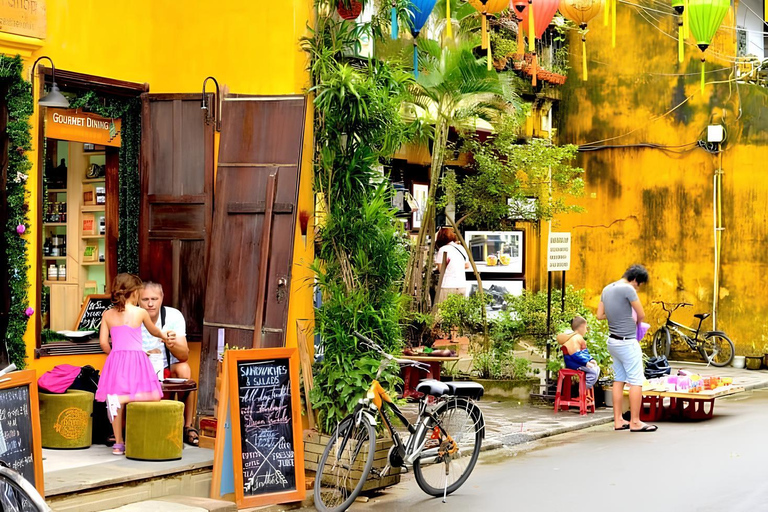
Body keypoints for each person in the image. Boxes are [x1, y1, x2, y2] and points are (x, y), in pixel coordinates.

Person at [96, 274, 167, 455]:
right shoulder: (140, 312)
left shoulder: (107, 314)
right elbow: (153, 330)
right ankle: (121, 399)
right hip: (136, 359)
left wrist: (114, 355)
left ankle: (118, 444)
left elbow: (103, 342)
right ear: (134, 292)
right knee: (154, 394)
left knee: (116, 399)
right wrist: (164, 336)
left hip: (116, 359)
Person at [597, 264, 657, 432]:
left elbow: (600, 315)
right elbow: (641, 314)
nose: (638, 288)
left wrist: (618, 314)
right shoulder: (628, 289)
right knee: (636, 381)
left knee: (619, 379)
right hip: (627, 342)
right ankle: (635, 422)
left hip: (613, 341)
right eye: (639, 285)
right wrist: (637, 323)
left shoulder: (607, 289)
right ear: (635, 279)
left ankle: (618, 420)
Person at [139, 281, 198, 446]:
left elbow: (184, 355)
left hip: (166, 365)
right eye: (145, 299)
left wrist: (171, 344)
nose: (150, 304)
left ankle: (188, 426)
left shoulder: (172, 316)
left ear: (162, 297)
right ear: (137, 299)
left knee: (184, 369)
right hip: (140, 367)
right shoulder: (133, 317)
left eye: (154, 299)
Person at [556, 316, 600, 389]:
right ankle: (584, 388)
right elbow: (575, 354)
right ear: (581, 327)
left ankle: (584, 387)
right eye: (585, 328)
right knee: (593, 371)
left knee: (596, 368)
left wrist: (590, 359)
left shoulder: (578, 338)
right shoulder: (575, 338)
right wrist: (586, 363)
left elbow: (584, 353)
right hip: (574, 363)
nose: (586, 331)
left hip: (578, 362)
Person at [434, 227, 470, 304]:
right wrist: (455, 265)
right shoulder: (461, 248)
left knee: (444, 309)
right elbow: (467, 265)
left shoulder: (443, 249)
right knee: (459, 310)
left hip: (447, 286)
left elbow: (440, 269)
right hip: (461, 285)